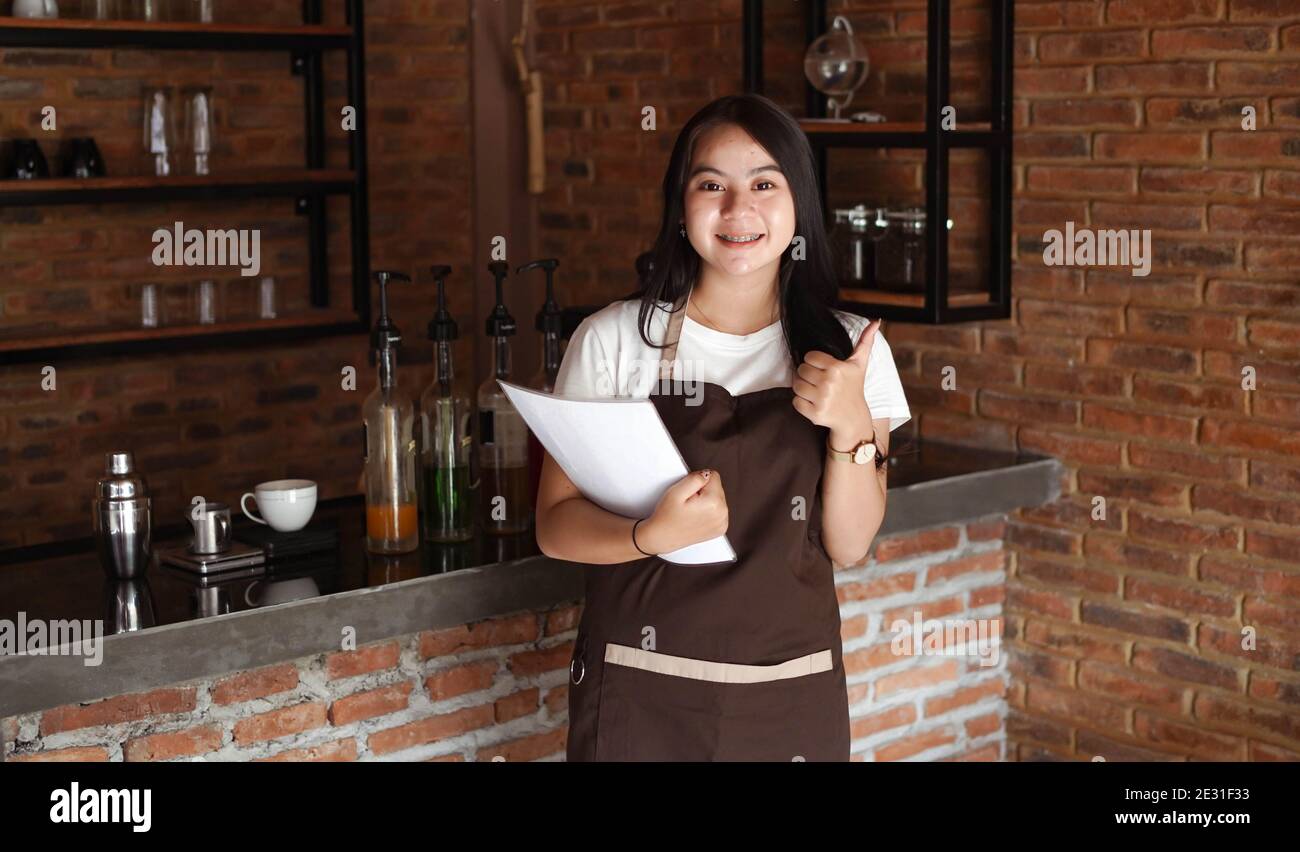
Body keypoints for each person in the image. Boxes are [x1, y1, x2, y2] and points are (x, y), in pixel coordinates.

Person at [535, 93, 911, 761]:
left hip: (788, 694)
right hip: (638, 695)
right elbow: (556, 525)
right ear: (681, 208)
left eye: (765, 183)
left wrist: (851, 421)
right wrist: (649, 535)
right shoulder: (614, 340)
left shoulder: (851, 350)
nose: (739, 210)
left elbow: (850, 544)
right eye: (712, 185)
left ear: (799, 205)